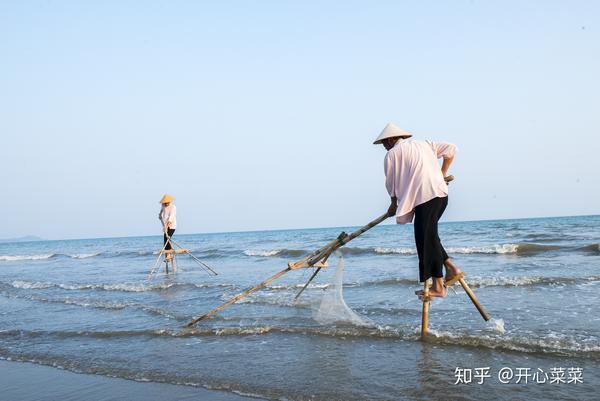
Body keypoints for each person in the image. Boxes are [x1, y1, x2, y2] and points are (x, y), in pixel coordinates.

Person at [374, 123, 462, 298]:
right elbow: (452, 149)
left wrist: (393, 204)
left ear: (392, 139)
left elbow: (390, 183)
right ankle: (451, 268)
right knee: (428, 237)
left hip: (426, 198)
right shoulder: (425, 144)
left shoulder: (391, 155)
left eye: (384, 142)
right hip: (440, 195)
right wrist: (442, 173)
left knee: (426, 240)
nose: (384, 146)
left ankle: (438, 286)